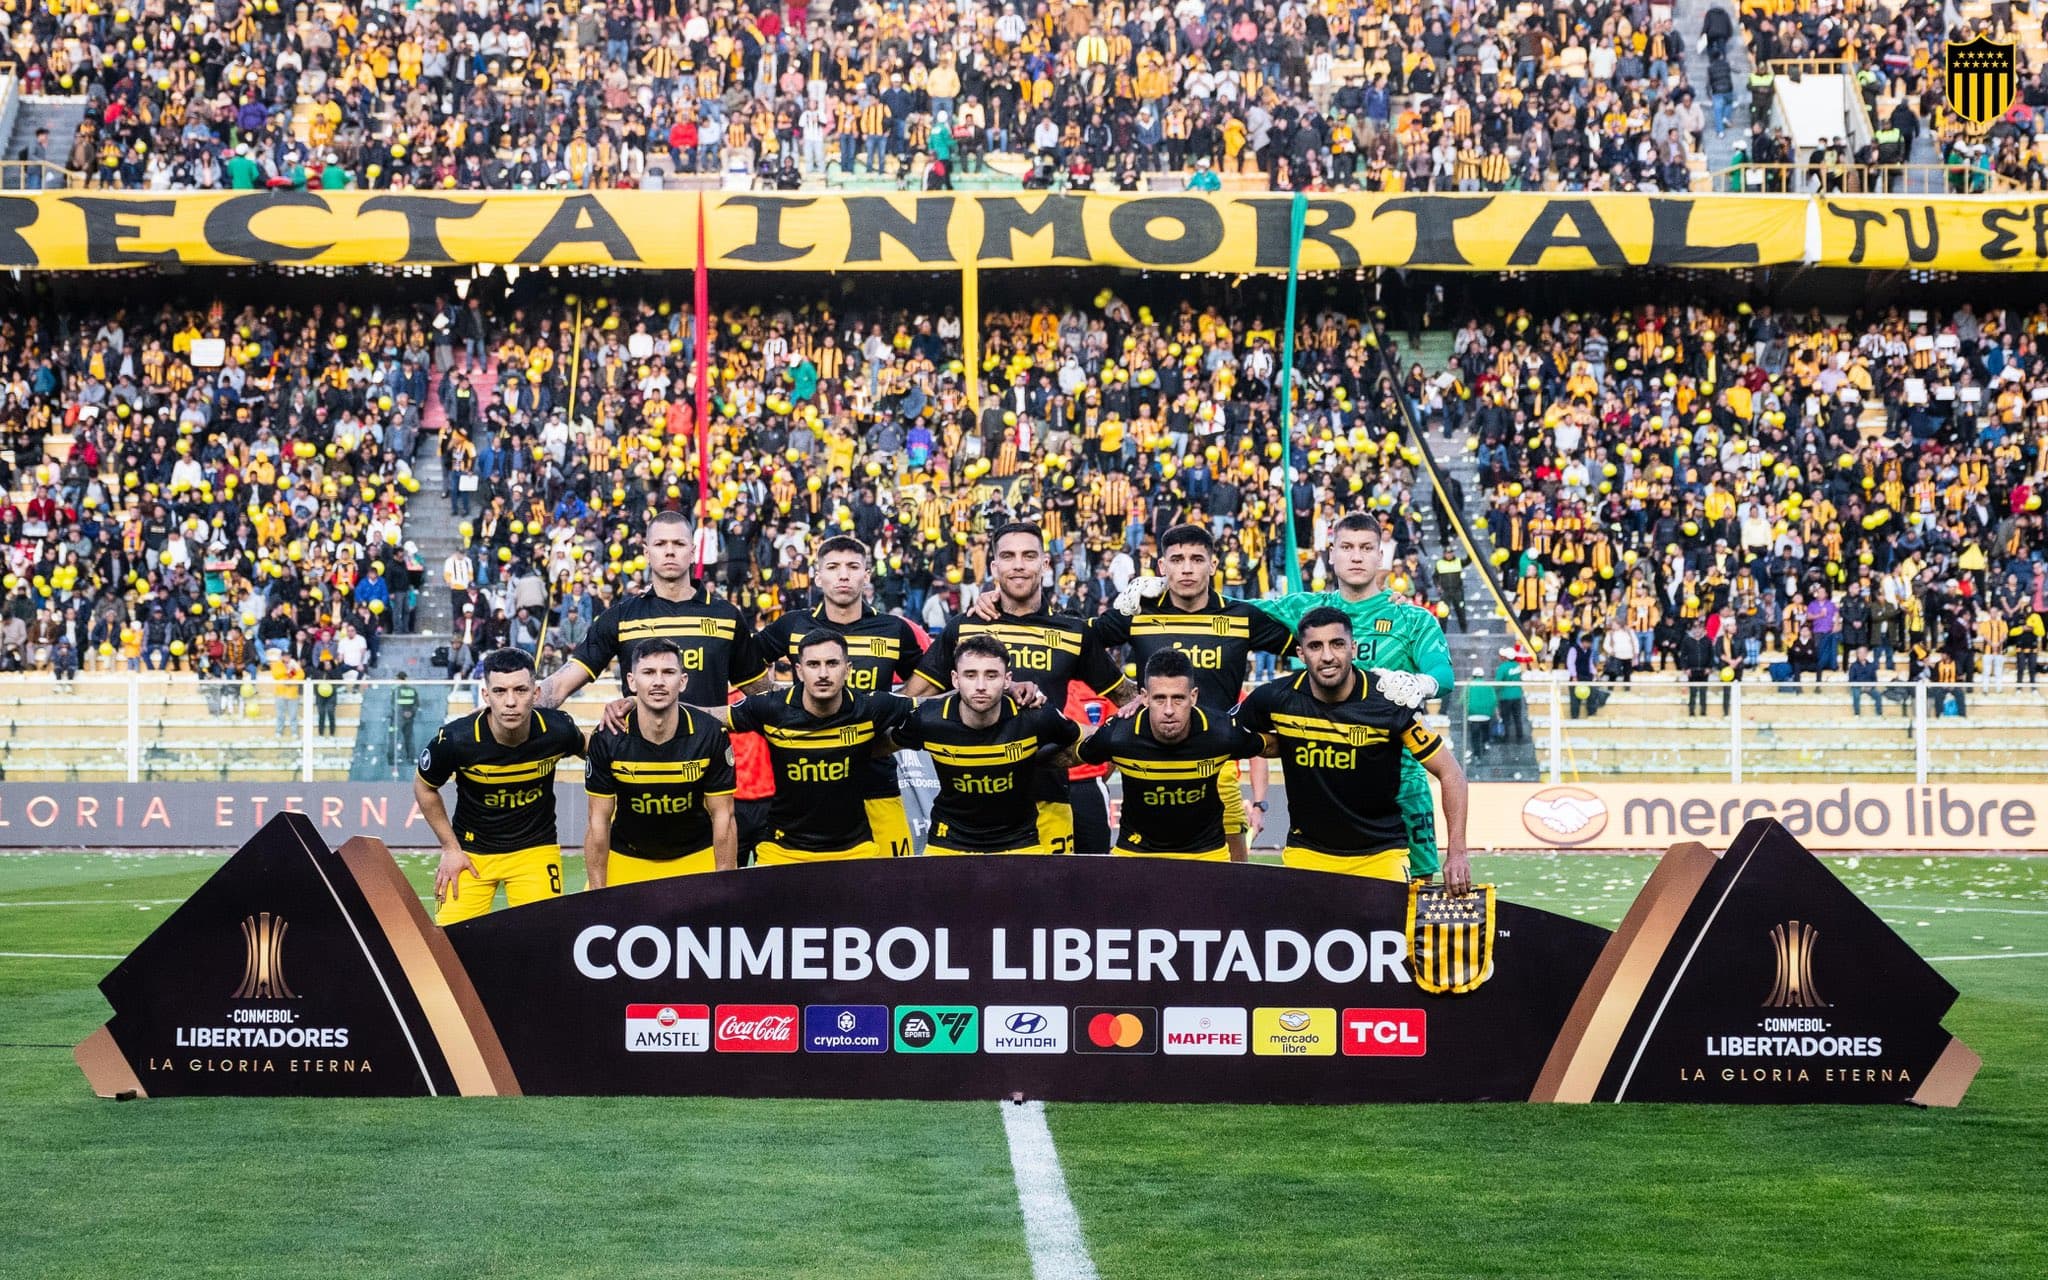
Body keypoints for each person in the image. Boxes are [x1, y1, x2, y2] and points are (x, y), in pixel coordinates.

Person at [904, 522, 1131, 855]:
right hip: (966, 811)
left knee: (1046, 907)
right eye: (1008, 556)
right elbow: (912, 701)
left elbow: (1127, 698)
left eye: (1029, 555)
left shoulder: (1073, 632)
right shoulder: (965, 626)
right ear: (994, 566)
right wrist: (985, 694)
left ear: (1045, 563)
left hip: (1047, 802)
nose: (1019, 565)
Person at [1078, 524, 1294, 860]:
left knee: (1234, 878)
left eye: (1197, 558)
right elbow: (1077, 641)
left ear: (1213, 565)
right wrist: (1121, 691)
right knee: (1142, 878)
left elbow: (1312, 644)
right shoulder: (1139, 612)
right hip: (1148, 759)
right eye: (1177, 559)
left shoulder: (1241, 617)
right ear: (1162, 567)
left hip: (1217, 761)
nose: (1188, 568)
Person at [1235, 608, 1471, 892]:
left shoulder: (1389, 700)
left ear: (1353, 648)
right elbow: (1229, 735)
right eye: (1315, 646)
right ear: (1300, 653)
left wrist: (1457, 853)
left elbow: (1450, 773)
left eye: (1337, 644)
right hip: (1307, 854)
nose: (1327, 656)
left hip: (1381, 856)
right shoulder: (1275, 697)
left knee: (1392, 936)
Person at [754, 535, 926, 857]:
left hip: (876, 782)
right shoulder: (792, 625)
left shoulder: (893, 629)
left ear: (867, 574)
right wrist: (773, 706)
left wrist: (888, 723)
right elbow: (745, 663)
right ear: (818, 576)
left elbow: (935, 678)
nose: (843, 575)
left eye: (852, 567)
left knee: (890, 891)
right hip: (806, 788)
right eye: (833, 567)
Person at [538, 509, 774, 715]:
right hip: (638, 762)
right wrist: (516, 707)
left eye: (679, 544)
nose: (669, 551)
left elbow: (763, 694)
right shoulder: (621, 617)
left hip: (708, 761)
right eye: (660, 544)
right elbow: (558, 686)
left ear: (692, 552)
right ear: (647, 552)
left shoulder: (726, 616)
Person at [414, 648, 586, 925]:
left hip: (535, 850)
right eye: (499, 691)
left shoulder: (558, 730)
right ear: (486, 696)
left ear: (536, 693)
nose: (510, 702)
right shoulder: (456, 739)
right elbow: (424, 787)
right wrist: (450, 849)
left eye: (520, 690)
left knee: (543, 941)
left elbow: (596, 752)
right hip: (471, 854)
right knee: (448, 945)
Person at [708, 630, 912, 864]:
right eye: (813, 664)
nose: (823, 673)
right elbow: (710, 718)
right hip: (782, 850)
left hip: (855, 849)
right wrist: (660, 708)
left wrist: (895, 740)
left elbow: (930, 711)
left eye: (832, 663)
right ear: (799, 671)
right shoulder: (770, 707)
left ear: (848, 669)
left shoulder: (871, 707)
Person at [885, 633, 1079, 855]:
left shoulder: (1036, 717)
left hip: (1019, 842)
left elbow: (1083, 742)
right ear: (955, 679)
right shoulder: (928, 719)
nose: (980, 686)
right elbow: (881, 746)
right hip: (947, 842)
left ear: (1007, 680)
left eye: (991, 675)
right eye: (970, 675)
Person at [1070, 649, 1270, 861]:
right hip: (1135, 852)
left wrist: (1259, 804)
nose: (1168, 710)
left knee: (1237, 878)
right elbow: (1071, 755)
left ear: (1193, 696)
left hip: (1207, 853)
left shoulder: (1222, 731)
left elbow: (1269, 747)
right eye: (1159, 698)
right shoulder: (1119, 734)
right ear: (1144, 697)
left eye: (1178, 699)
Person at [583, 638, 739, 886]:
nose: (658, 681)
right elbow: (598, 821)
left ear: (683, 681)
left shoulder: (710, 734)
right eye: (648, 672)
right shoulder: (607, 738)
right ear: (631, 681)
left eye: (668, 672)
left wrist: (724, 887)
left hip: (695, 856)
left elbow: (724, 816)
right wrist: (596, 890)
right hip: (627, 856)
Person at [390, 671, 421, 768]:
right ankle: (411, 758)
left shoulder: (395, 689)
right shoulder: (413, 689)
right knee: (409, 738)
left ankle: (392, 759)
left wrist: (402, 713)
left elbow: (393, 704)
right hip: (410, 717)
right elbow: (416, 703)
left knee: (394, 738)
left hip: (398, 718)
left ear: (398, 678)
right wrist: (410, 712)